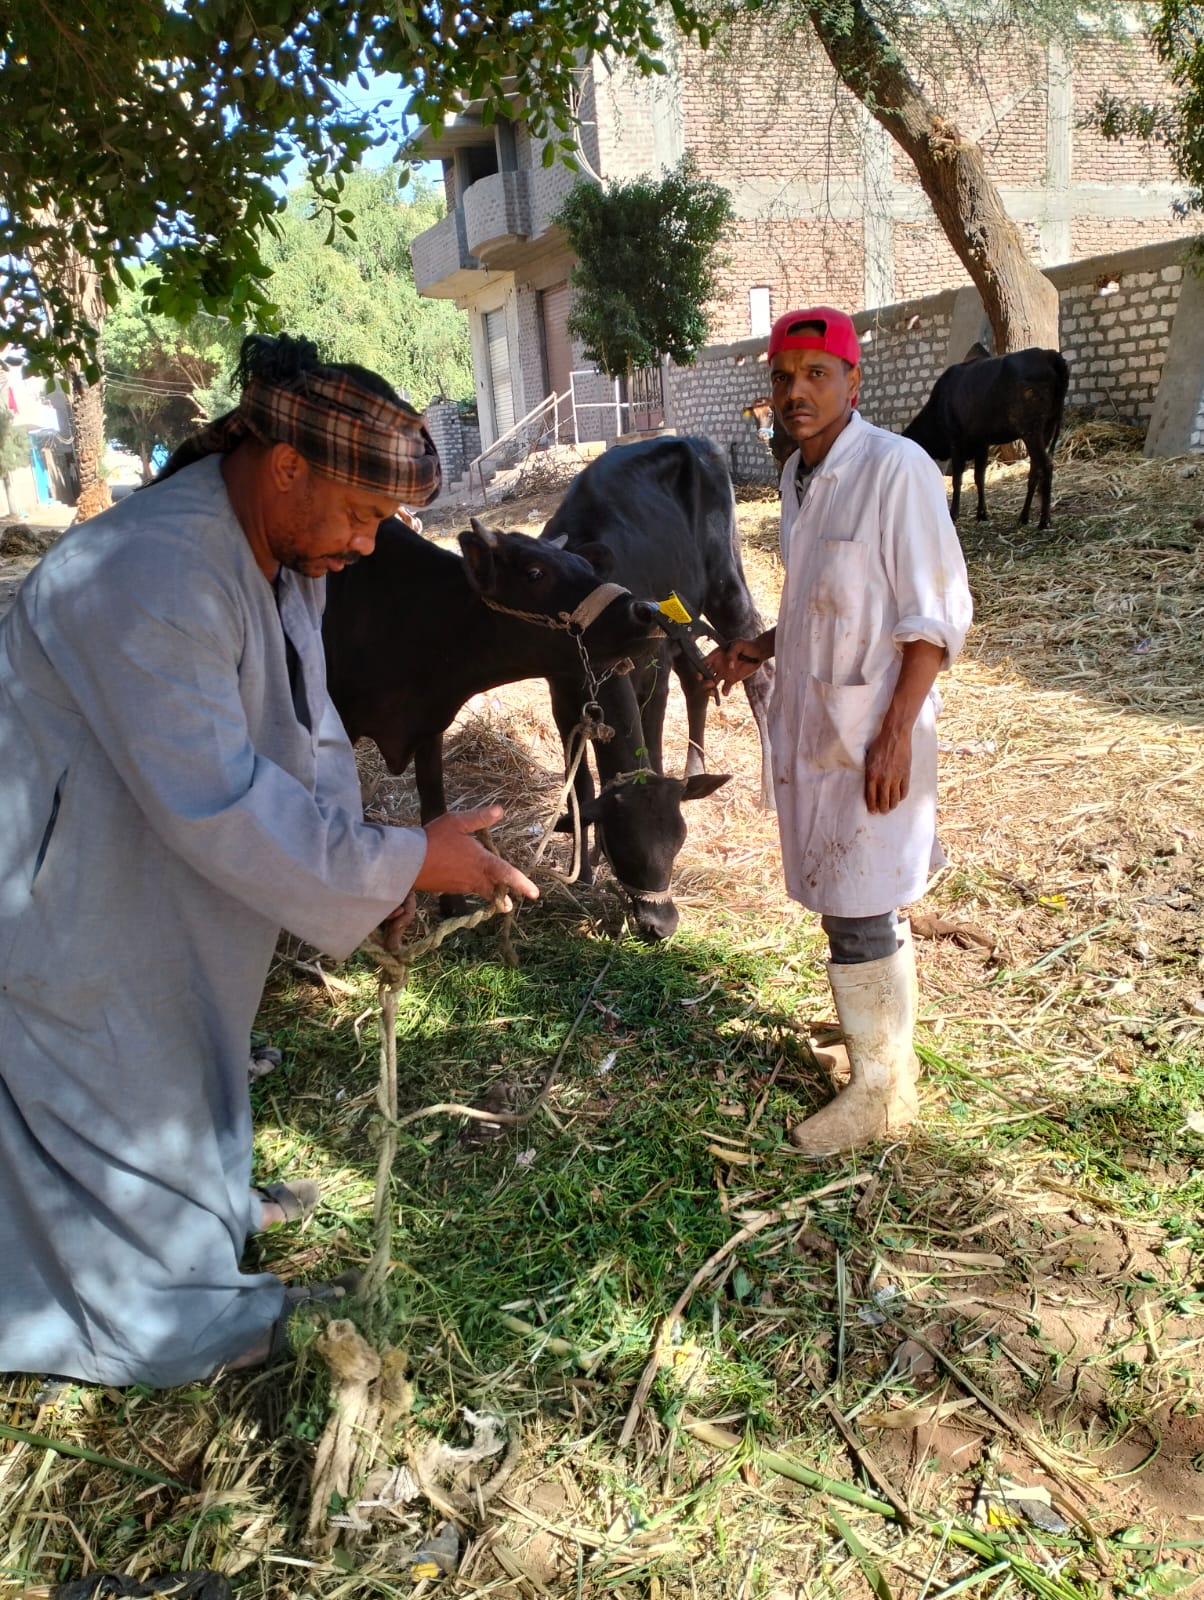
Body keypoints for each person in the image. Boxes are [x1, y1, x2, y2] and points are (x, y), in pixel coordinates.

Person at [0, 334, 538, 1387]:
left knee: (181, 1061)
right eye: (361, 512)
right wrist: (397, 863)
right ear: (285, 467)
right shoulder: (153, 572)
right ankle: (165, 1327)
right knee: (111, 1081)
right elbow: (223, 801)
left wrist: (378, 865)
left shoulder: (280, 555)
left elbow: (305, 737)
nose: (368, 543)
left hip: (144, 876)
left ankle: (200, 1239)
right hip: (74, 888)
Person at [709, 308, 972, 1157]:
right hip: (823, 720)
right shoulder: (796, 480)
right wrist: (761, 645)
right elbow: (820, 600)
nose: (797, 392)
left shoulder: (897, 470)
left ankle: (884, 1094)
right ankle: (874, 1041)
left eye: (817, 374)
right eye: (784, 377)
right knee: (846, 895)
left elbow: (931, 618)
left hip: (872, 728)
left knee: (862, 899)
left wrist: (897, 732)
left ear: (853, 384)